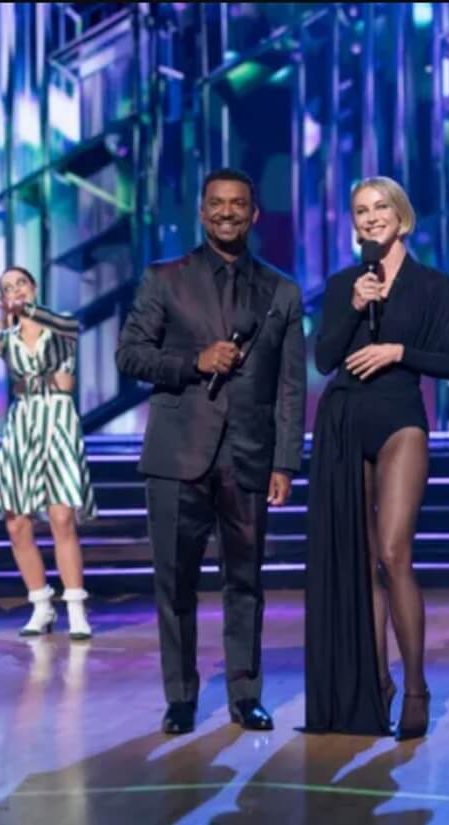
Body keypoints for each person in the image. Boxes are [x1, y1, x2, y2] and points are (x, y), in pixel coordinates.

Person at [116, 167, 305, 734]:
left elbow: (290, 386)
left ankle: (245, 694)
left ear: (254, 215)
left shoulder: (282, 291)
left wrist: (285, 461)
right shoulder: (164, 279)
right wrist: (192, 363)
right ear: (202, 213)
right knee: (175, 584)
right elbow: (129, 355)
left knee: (245, 582)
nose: (227, 213)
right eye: (217, 204)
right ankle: (180, 696)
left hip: (248, 456)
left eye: (238, 204)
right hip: (177, 455)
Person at [304, 177, 449, 740]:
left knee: (394, 551)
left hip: (399, 419)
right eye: (360, 211)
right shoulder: (344, 283)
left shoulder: (431, 285)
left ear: (402, 214)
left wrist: (400, 350)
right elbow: (324, 358)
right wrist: (352, 307)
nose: (371, 218)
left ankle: (416, 685)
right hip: (346, 420)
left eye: (380, 208)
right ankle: (376, 684)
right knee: (364, 562)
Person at [0, 265, 96, 640]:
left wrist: (23, 310)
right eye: (7, 287)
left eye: (20, 284)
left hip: (58, 419)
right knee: (16, 520)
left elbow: (71, 330)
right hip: (22, 423)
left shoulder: (59, 323)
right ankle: (41, 604)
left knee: (62, 516)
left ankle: (76, 607)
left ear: (33, 287)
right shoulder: (8, 337)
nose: (14, 291)